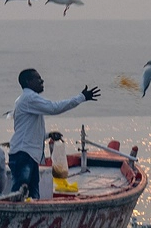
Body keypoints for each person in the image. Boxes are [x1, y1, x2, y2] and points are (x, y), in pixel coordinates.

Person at [8, 68, 99, 198]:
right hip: (24, 155)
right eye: (38, 79)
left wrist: (48, 135)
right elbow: (54, 108)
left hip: (26, 154)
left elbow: (26, 131)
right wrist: (81, 97)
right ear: (28, 82)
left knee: (32, 196)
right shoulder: (30, 98)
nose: (42, 81)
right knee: (20, 193)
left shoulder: (24, 100)